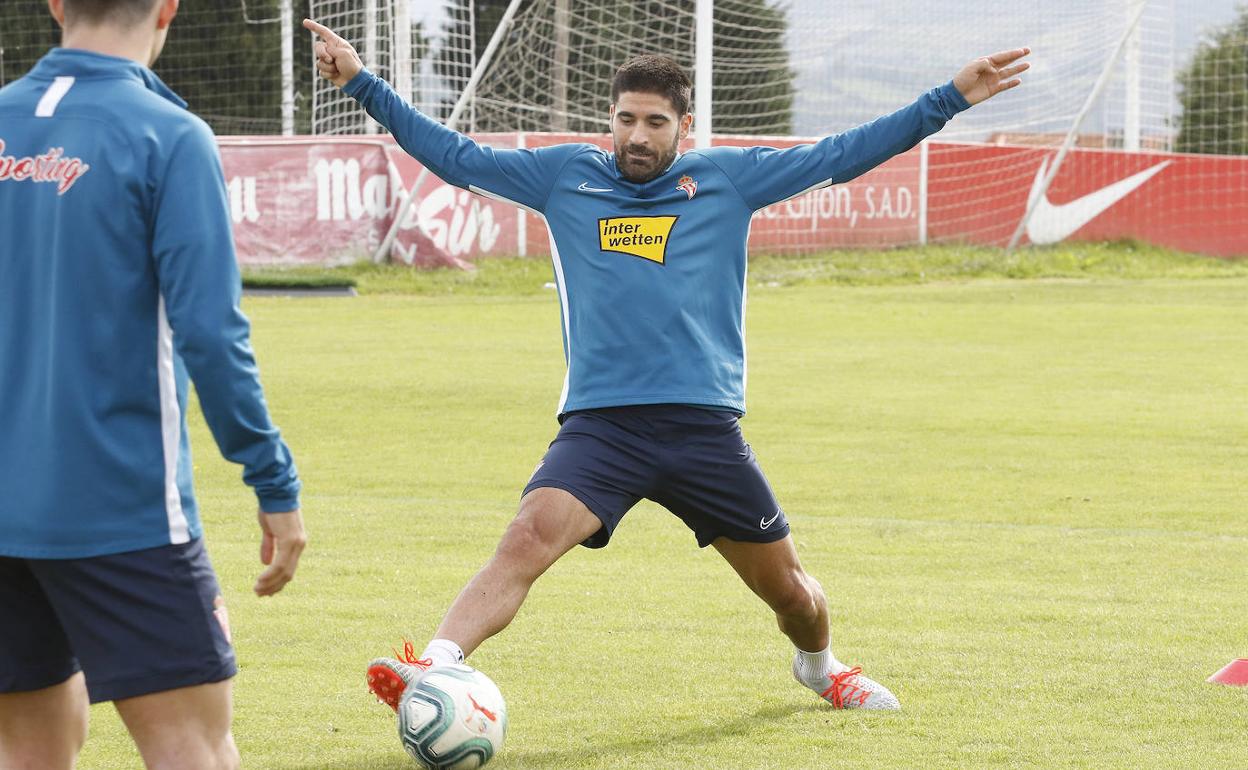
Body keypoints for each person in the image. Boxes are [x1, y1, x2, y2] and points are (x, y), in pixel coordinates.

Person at [305, 17, 1026, 713]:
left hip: (703, 432)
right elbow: (457, 158)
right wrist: (363, 83)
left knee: (795, 597)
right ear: (609, 119)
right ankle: (432, 669)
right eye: (625, 119)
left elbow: (843, 154)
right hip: (601, 428)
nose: (636, 135)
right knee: (526, 536)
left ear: (685, 125)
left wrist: (949, 99)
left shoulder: (728, 180)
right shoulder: (565, 177)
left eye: (654, 122)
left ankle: (822, 669)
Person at [0, 1, 307, 768]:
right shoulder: (167, 135)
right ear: (168, 5)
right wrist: (272, 478)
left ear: (55, 2)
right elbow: (212, 334)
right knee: (191, 746)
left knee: (30, 748)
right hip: (123, 511)